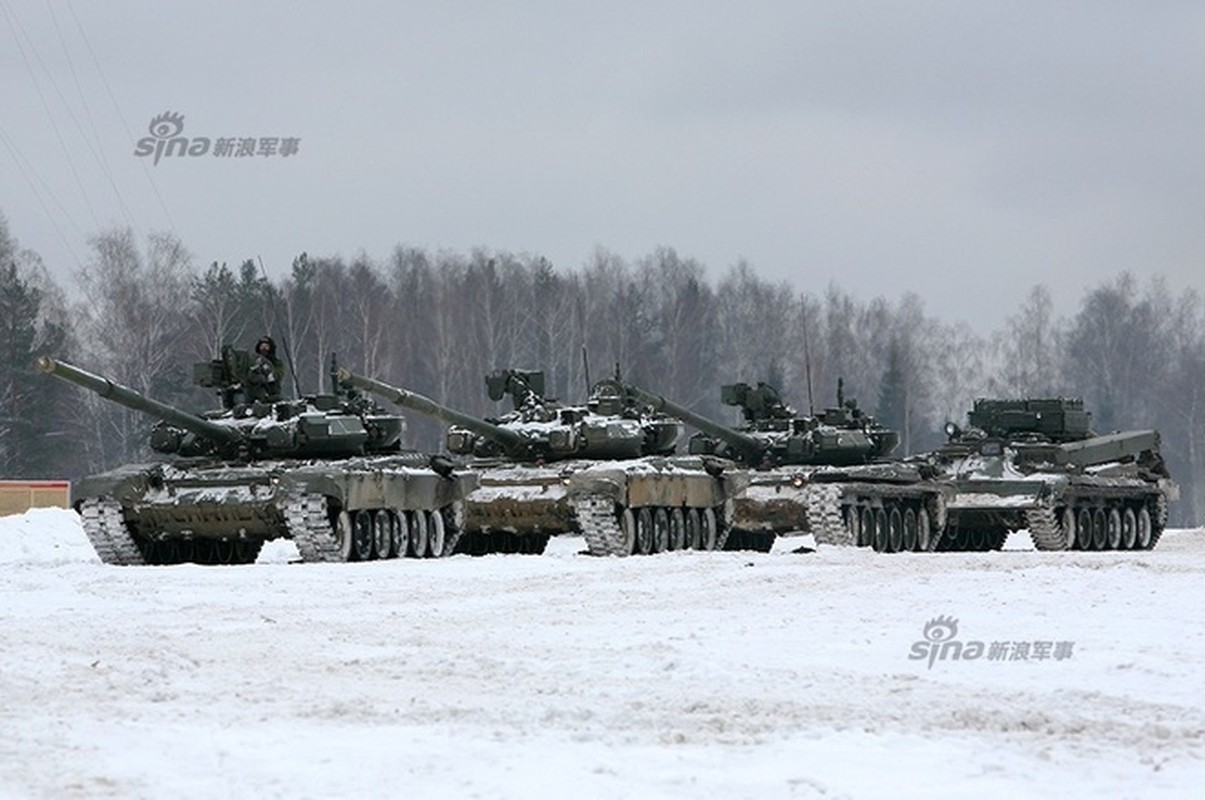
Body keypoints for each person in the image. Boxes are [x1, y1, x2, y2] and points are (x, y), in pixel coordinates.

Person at [247, 335, 284, 402]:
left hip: (271, 390)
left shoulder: (276, 362)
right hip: (254, 391)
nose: (263, 349)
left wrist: (268, 371)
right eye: (262, 346)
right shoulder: (252, 361)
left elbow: (278, 375)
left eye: (266, 347)